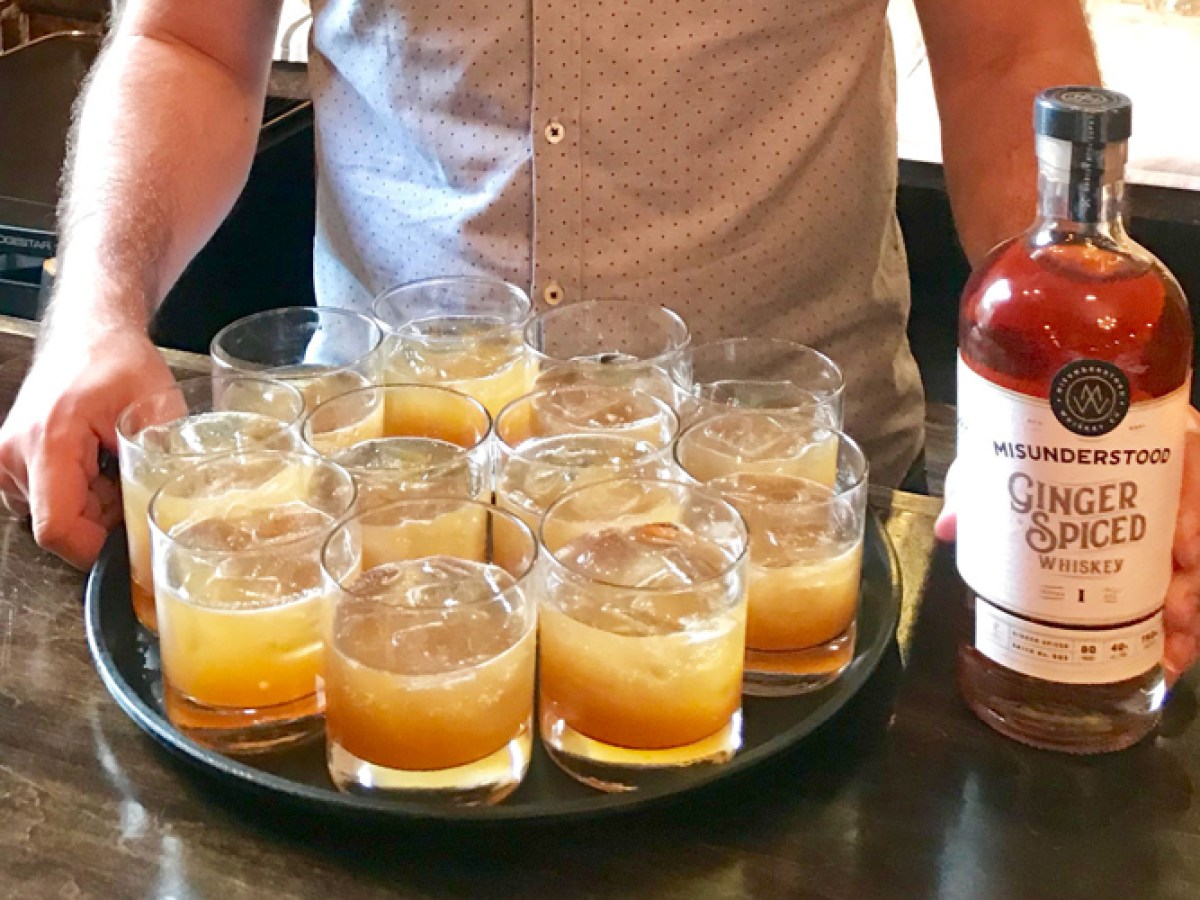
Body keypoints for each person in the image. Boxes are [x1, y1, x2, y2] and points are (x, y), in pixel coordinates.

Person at [0, 1, 1197, 675]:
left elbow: (1009, 54)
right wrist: (94, 310)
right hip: (370, 533)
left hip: (798, 555)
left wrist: (1086, 412)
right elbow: (189, 45)